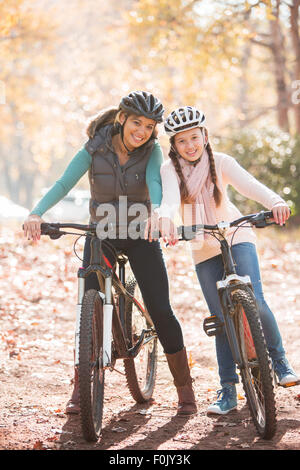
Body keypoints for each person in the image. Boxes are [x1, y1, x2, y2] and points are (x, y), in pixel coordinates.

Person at [23, 92, 197, 416]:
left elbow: (155, 184)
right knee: (88, 308)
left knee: (160, 309)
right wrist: (36, 213)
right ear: (121, 118)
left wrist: (158, 213)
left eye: (149, 126)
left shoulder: (152, 151)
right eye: (136, 123)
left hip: (140, 235)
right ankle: (81, 386)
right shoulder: (94, 148)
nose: (142, 131)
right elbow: (64, 184)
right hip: (100, 234)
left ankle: (185, 389)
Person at [152, 105, 299, 415]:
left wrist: (275, 201)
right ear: (173, 145)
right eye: (182, 141)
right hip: (201, 245)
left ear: (205, 135)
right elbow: (166, 202)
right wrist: (165, 220)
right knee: (220, 319)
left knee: (254, 300)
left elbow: (251, 187)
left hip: (235, 234)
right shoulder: (169, 170)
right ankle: (228, 390)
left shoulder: (222, 162)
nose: (190, 145)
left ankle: (280, 361)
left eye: (195, 137)